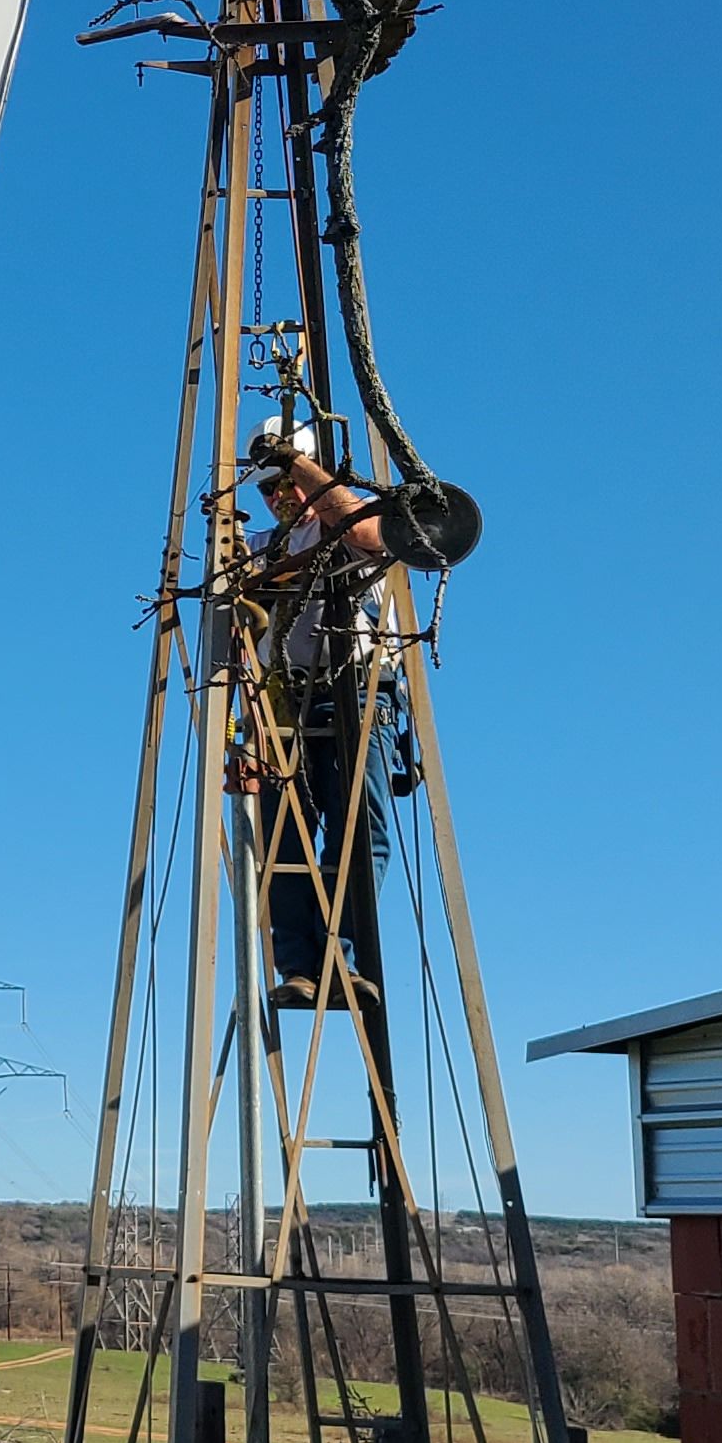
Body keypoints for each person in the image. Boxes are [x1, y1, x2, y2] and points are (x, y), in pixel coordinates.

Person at [238, 424, 399, 1015]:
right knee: (287, 837)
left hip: (359, 695)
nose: (279, 495)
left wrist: (300, 466)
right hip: (282, 702)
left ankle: (341, 958)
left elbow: (366, 533)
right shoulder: (256, 549)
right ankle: (301, 967)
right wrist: (242, 740)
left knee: (361, 835)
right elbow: (233, 661)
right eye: (269, 487)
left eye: (287, 481)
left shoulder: (351, 523)